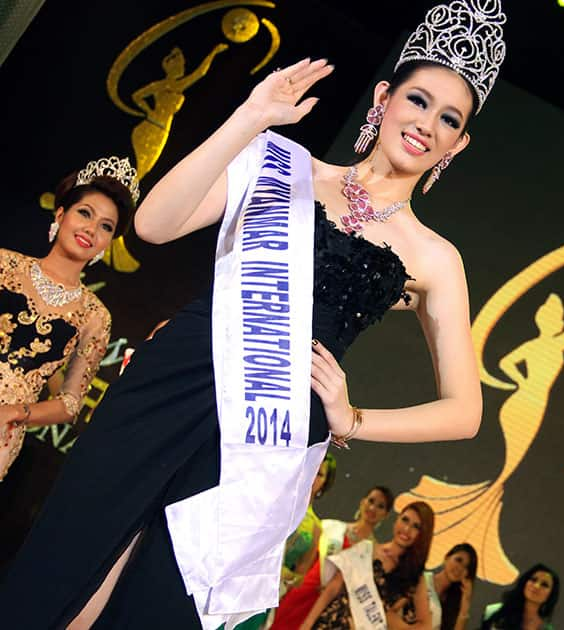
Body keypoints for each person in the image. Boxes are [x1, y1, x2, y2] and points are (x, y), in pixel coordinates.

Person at [0, 1, 506, 628]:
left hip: (265, 433)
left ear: (459, 143)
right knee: (71, 557)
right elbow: (156, 224)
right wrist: (251, 118)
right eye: (420, 100)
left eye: (449, 118)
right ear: (384, 97)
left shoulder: (434, 257)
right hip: (175, 378)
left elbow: (465, 412)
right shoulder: (280, 164)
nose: (428, 123)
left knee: (163, 599)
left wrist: (352, 418)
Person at [0, 157, 137, 482]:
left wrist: (16, 413)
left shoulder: (94, 316)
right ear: (61, 214)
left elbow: (70, 403)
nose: (91, 229)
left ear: (108, 242)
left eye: (106, 226)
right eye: (85, 213)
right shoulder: (5, 265)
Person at [270, 485, 394, 630]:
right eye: (371, 501)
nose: (372, 508)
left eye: (380, 506)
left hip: (329, 608)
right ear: (362, 502)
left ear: (385, 514)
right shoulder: (332, 527)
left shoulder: (373, 552)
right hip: (304, 591)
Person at [237, 455, 338, 630]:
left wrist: (284, 574)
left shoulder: (315, 528)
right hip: (238, 580)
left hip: (265, 595)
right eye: (312, 468)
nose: (313, 476)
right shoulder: (274, 502)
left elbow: (300, 577)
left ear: (325, 483)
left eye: (320, 474)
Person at [301, 501, 435, 630]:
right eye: (405, 520)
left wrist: (393, 623)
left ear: (423, 534)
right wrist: (307, 624)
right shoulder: (366, 549)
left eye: (416, 526)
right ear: (397, 520)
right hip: (329, 622)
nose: (407, 529)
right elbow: (333, 587)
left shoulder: (415, 576)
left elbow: (425, 626)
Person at [480, 565, 560, 630]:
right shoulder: (493, 611)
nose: (536, 586)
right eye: (533, 580)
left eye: (544, 585)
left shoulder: (546, 628)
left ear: (551, 595)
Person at [425, 543, 477, 630]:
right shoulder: (421, 581)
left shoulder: (454, 603)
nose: (460, 568)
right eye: (458, 560)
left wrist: (465, 602)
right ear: (446, 558)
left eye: (466, 567)